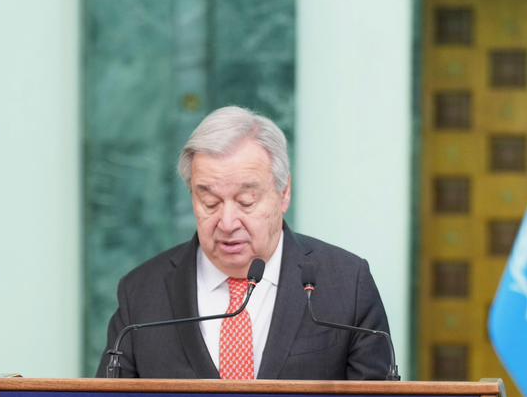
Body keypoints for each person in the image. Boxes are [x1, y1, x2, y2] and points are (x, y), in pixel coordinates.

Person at [98, 106, 394, 380]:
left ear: (284, 193)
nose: (227, 223)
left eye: (246, 201)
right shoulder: (141, 293)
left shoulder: (346, 283)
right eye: (209, 202)